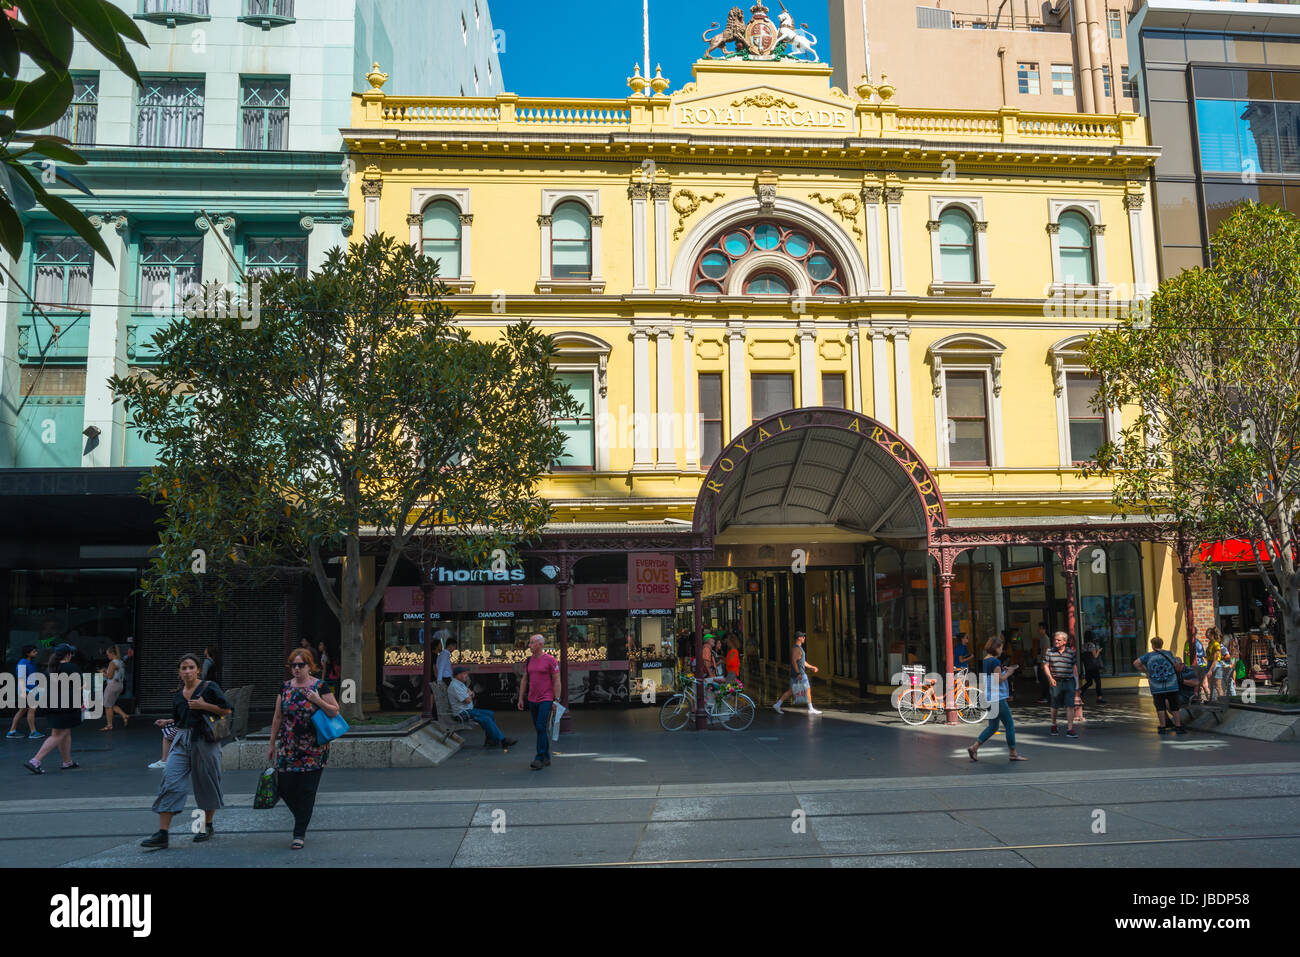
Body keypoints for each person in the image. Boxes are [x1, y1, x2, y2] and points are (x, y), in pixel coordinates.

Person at [140, 654, 231, 848]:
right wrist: (168, 721)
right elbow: (181, 717)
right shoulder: (178, 694)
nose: (188, 671)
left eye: (191, 667)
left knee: (206, 783)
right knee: (170, 781)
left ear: (198, 669)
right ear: (179, 672)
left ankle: (205, 826)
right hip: (182, 740)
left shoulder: (209, 687)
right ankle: (162, 834)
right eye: (184, 668)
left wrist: (203, 705)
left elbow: (227, 710)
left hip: (205, 740)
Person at [266, 648, 340, 849]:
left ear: (310, 666)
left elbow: (335, 711)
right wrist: (272, 743)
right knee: (285, 787)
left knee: (307, 791)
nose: (296, 668)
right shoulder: (285, 688)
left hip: (314, 748)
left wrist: (317, 700)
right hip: (288, 747)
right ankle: (302, 816)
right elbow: (277, 717)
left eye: (301, 665)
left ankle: (299, 833)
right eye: (293, 665)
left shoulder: (320, 686)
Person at [967, 635, 1025, 762]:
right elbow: (999, 680)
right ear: (996, 647)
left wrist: (1003, 671)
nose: (1002, 650)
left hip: (988, 697)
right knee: (1009, 725)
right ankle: (1013, 753)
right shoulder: (995, 662)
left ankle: (974, 747)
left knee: (993, 727)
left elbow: (991, 678)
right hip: (997, 698)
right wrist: (1009, 673)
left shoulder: (986, 660)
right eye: (1001, 647)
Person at [24, 644, 81, 773]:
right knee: (58, 734)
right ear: (68, 655)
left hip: (51, 705)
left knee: (64, 733)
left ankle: (67, 762)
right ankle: (35, 761)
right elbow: (78, 686)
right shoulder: (71, 668)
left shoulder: (49, 669)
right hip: (66, 706)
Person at [517, 634, 560, 771]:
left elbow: (557, 680)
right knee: (539, 728)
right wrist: (520, 698)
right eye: (529, 643)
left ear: (540, 644)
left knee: (541, 726)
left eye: (531, 643)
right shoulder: (529, 661)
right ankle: (546, 756)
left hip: (546, 698)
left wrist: (556, 700)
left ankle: (539, 757)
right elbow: (524, 679)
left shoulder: (550, 660)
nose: (529, 646)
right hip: (532, 699)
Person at [449, 665, 517, 750]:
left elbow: (471, 693)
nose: (466, 675)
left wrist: (470, 694)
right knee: (486, 719)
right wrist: (469, 694)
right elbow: (468, 700)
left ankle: (491, 739)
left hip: (468, 710)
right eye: (464, 674)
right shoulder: (455, 686)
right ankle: (502, 740)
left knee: (490, 713)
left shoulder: (460, 684)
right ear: (458, 675)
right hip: (462, 713)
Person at [1134, 637, 1189, 735]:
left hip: (1156, 686)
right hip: (1171, 684)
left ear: (1153, 645)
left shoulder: (1148, 656)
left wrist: (1146, 671)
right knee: (1174, 706)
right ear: (1161, 644)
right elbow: (1176, 666)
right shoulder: (1168, 654)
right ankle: (1178, 726)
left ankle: (1162, 727)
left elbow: (1136, 663)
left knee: (1160, 707)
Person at [773, 632, 820, 715]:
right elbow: (794, 661)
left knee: (791, 691)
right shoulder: (796, 648)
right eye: (803, 637)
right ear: (799, 638)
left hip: (798, 674)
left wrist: (812, 667)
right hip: (800, 674)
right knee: (807, 689)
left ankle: (778, 704)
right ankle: (811, 709)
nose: (804, 638)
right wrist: (798, 673)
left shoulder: (798, 648)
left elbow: (802, 662)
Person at [1043, 630, 1079, 737]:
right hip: (1056, 682)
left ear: (1065, 641)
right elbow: (1045, 665)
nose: (1056, 641)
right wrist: (1050, 678)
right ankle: (1054, 725)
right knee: (1055, 705)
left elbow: (1074, 667)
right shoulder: (1050, 651)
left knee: (1070, 705)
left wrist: (1076, 683)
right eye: (1055, 639)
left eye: (1059, 640)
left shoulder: (1071, 652)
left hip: (1069, 681)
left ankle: (1070, 729)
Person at [7, 645, 42, 739]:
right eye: (34, 651)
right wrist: (24, 692)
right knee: (31, 710)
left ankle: (12, 731)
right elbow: (21, 678)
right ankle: (33, 732)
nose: (36, 653)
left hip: (29, 690)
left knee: (23, 710)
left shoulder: (30, 663)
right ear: (28, 653)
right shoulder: (23, 663)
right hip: (26, 690)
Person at [99, 645, 130, 731]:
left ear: (112, 653)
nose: (107, 656)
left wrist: (102, 672)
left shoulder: (113, 662)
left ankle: (109, 725)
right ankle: (124, 715)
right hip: (119, 685)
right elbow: (117, 673)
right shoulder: (121, 662)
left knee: (107, 706)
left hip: (112, 686)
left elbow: (109, 676)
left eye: (108, 654)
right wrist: (107, 671)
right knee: (111, 704)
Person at [1079, 635, 1105, 704]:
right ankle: (1099, 698)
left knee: (1089, 682)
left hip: (1087, 667)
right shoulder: (1092, 645)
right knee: (1098, 682)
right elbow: (1095, 656)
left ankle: (1080, 691)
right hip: (1094, 667)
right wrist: (1099, 651)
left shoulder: (1083, 646)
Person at [1035, 622, 1051, 704]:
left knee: (1044, 680)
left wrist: (1042, 662)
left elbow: (1045, 650)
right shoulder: (1042, 638)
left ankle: (1046, 697)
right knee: (1042, 679)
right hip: (1041, 661)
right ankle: (1045, 696)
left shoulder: (1045, 638)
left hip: (1043, 662)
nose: (1038, 630)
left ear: (1044, 629)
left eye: (1040, 628)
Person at [1205, 628, 1223, 702]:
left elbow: (1215, 659)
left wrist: (1210, 670)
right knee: (1211, 685)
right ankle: (1213, 701)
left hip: (1216, 665)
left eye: (1207, 633)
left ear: (1212, 634)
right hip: (1210, 663)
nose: (1206, 634)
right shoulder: (1210, 643)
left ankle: (1222, 702)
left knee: (1218, 686)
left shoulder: (1216, 644)